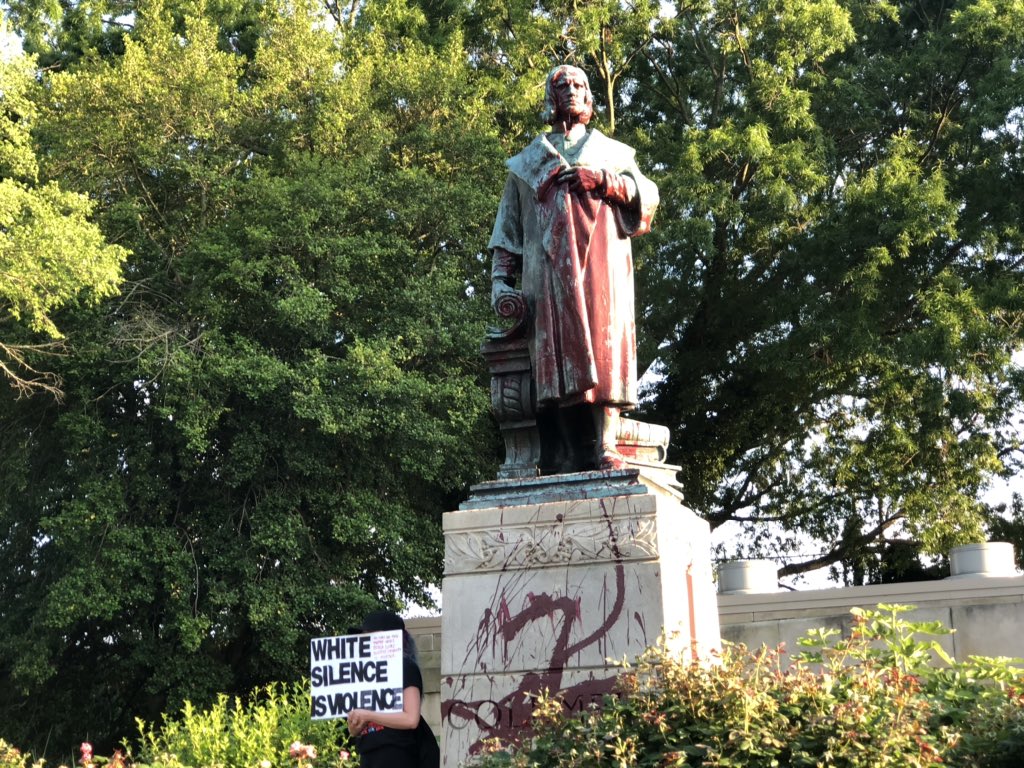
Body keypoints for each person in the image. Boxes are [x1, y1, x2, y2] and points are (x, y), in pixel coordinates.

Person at [489, 64, 659, 471]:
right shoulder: (527, 164)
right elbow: (506, 230)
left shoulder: (614, 154)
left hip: (602, 270)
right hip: (546, 274)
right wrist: (500, 281)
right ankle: (561, 450)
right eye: (561, 85)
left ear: (589, 99)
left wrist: (603, 182)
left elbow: (647, 196)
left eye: (579, 85)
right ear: (551, 98)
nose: (570, 91)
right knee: (553, 357)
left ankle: (605, 445)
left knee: (605, 351)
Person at [347, 610, 424, 768]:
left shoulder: (406, 667)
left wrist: (368, 715)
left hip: (397, 757)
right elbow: (354, 731)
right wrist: (354, 726)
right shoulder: (361, 675)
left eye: (370, 635)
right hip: (368, 757)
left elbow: (411, 719)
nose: (365, 641)